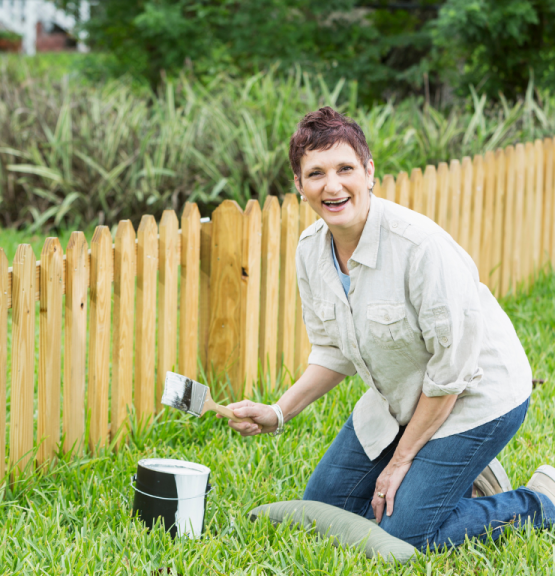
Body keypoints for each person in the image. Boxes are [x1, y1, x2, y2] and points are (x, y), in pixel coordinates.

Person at [224, 107, 555, 551]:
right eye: (316, 173)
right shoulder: (311, 252)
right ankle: (464, 479)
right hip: (402, 397)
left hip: (475, 397)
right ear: (299, 185)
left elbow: (452, 373)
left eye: (345, 168)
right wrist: (278, 411)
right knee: (324, 507)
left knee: (403, 535)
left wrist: (401, 462)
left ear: (369, 172)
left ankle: (540, 501)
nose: (333, 185)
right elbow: (331, 351)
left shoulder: (420, 248)